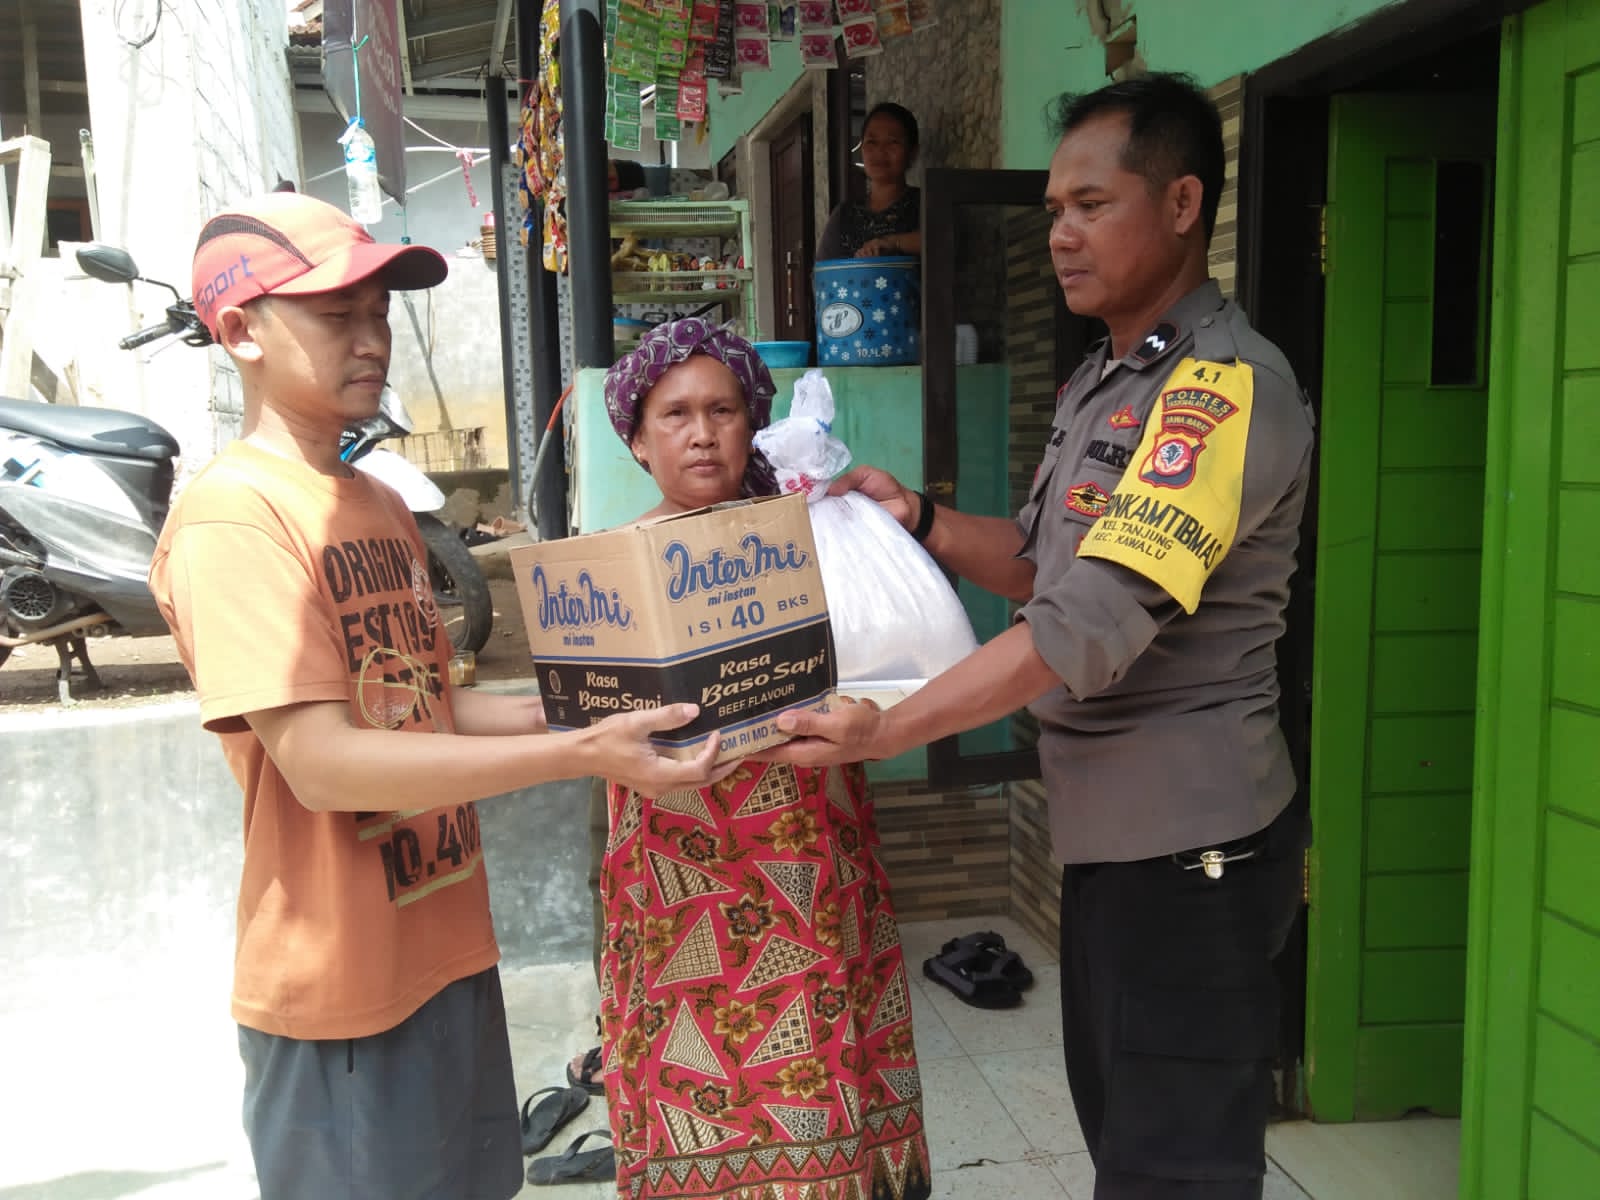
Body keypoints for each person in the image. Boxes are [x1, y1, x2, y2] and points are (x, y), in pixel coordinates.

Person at [764, 73, 1316, 1199]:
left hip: (1192, 854)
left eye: (1091, 205)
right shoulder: (1104, 382)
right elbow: (1036, 561)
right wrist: (916, 517)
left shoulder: (1220, 393)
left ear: (1181, 204)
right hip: (1114, 848)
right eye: (1056, 208)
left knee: (1173, 1175)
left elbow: (1078, 625)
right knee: (1126, 1146)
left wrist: (888, 730)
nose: (1060, 233)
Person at [148, 191, 732, 1200]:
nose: (372, 337)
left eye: (379, 312)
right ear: (241, 331)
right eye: (338, 314)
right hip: (339, 991)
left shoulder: (378, 502)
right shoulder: (234, 518)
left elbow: (420, 706)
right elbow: (323, 763)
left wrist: (591, 709)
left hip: (448, 947)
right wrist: (578, 755)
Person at [591, 317, 934, 1200]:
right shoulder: (612, 572)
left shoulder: (818, 539)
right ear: (637, 439)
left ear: (754, 424)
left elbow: (889, 657)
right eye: (674, 415)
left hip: (805, 847)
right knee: (690, 1055)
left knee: (818, 1043)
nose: (702, 433)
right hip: (676, 864)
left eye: (723, 410)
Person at [816, 102, 922, 259]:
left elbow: (944, 241)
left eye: (893, 142)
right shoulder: (844, 216)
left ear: (912, 152)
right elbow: (823, 271)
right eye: (872, 142)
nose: (880, 151)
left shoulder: (926, 205)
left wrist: (894, 242)